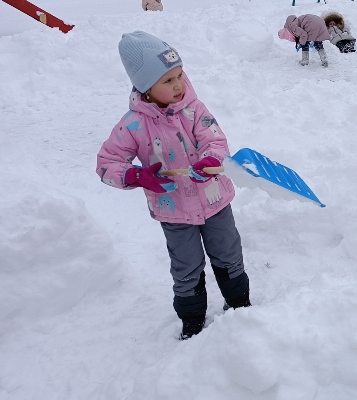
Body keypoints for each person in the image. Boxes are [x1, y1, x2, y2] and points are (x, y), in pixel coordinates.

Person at [96, 31, 251, 340]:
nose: (178, 85)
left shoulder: (195, 110)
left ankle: (239, 303)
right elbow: (107, 163)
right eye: (167, 81)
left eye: (179, 75)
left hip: (214, 199)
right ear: (146, 87)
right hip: (174, 211)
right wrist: (135, 175)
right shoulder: (132, 125)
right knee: (186, 266)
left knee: (228, 253)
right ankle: (192, 318)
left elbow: (215, 140)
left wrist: (210, 160)